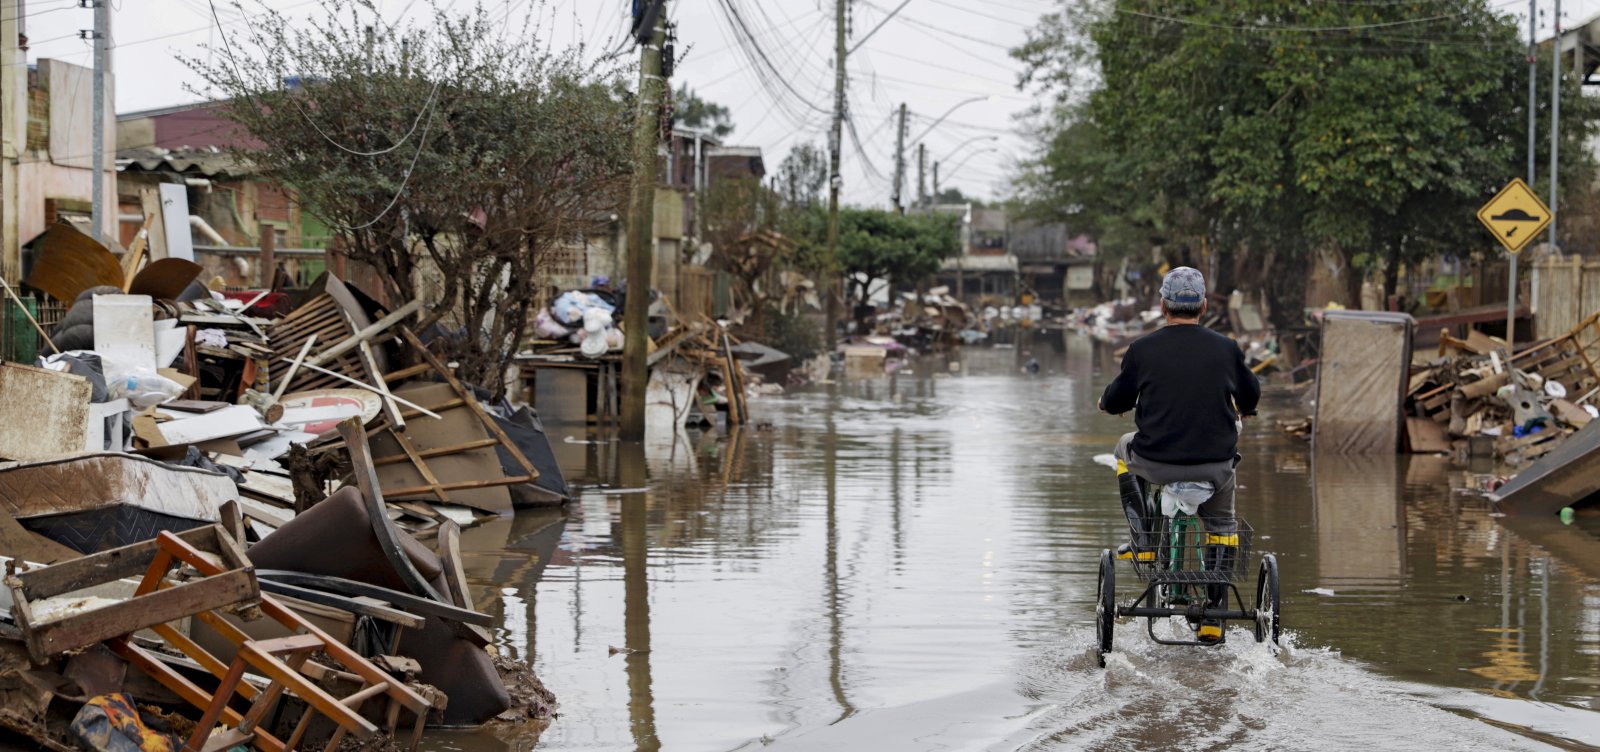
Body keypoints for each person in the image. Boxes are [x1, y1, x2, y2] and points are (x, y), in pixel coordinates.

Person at [1097, 266, 1260, 643]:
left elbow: (1117, 397)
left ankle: (1145, 543)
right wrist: (1244, 408)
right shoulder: (1226, 349)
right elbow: (1250, 395)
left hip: (1156, 462)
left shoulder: (1142, 350)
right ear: (1203, 306)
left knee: (1123, 446)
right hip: (1214, 464)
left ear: (1162, 306)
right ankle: (1212, 618)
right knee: (1223, 526)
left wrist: (1107, 403)